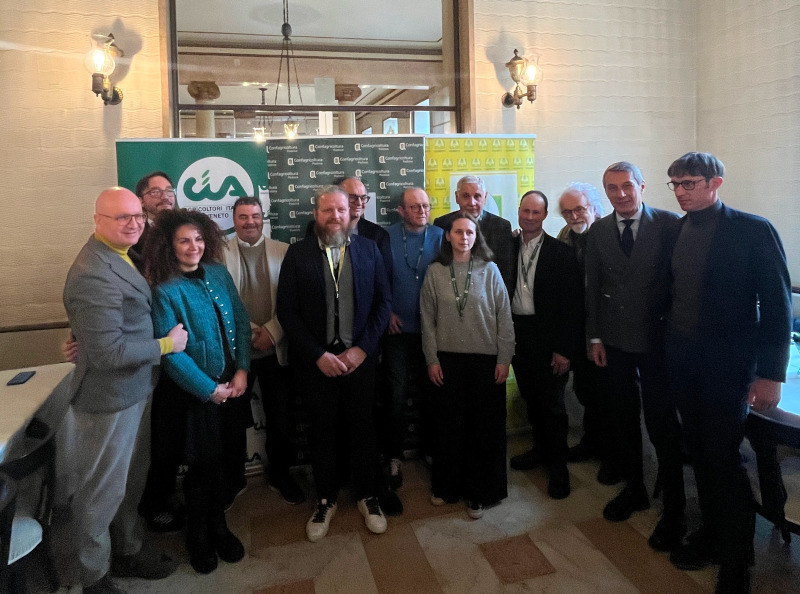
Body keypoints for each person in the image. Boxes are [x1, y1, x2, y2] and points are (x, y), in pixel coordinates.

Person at [663, 152, 791, 593]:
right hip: (683, 362)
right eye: (675, 184)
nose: (681, 191)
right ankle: (711, 535)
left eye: (690, 183)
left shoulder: (751, 230)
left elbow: (778, 307)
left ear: (716, 183)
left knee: (723, 459)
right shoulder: (677, 230)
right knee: (699, 454)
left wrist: (771, 373)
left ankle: (738, 559)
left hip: (728, 367)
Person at [59, 187, 186, 594]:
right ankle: (93, 577)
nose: (134, 223)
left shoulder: (119, 254)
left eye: (137, 216)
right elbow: (111, 353)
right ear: (98, 221)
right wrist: (168, 345)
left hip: (134, 390)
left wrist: (81, 335)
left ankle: (127, 550)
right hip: (108, 399)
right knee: (100, 493)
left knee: (129, 481)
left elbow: (107, 326)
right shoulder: (93, 272)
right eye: (122, 218)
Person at [277, 185, 392, 542]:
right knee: (322, 432)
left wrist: (362, 350)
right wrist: (318, 355)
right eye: (328, 211)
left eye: (341, 210)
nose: (335, 216)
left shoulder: (369, 250)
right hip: (318, 365)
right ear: (317, 214)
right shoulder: (297, 255)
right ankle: (325, 499)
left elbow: (382, 306)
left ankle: (367, 496)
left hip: (360, 361)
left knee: (363, 429)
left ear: (350, 212)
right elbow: (287, 312)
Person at [585, 162, 686, 553]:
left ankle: (674, 507)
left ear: (641, 186)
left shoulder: (669, 224)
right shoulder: (598, 230)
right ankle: (636, 489)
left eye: (627, 186)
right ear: (605, 192)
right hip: (614, 340)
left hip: (659, 340)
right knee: (622, 417)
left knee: (661, 424)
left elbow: (683, 282)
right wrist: (594, 337)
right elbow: (593, 287)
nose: (621, 194)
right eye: (612, 188)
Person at [145, 209, 251, 574]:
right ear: (169, 246)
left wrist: (242, 370)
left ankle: (219, 524)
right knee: (202, 468)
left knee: (225, 463)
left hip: (232, 386)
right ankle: (198, 534)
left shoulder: (219, 274)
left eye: (199, 239)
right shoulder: (164, 290)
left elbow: (240, 319)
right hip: (196, 396)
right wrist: (210, 390)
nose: (194, 247)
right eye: (184, 241)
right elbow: (173, 358)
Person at [420, 212, 514, 519]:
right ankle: (448, 487)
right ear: (447, 236)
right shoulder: (435, 271)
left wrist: (504, 358)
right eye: (458, 232)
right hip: (448, 361)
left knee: (483, 429)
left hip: (486, 361)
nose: (464, 237)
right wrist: (432, 359)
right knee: (449, 427)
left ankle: (480, 493)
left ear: (477, 237)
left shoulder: (490, 270)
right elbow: (427, 321)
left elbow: (504, 317)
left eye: (469, 233)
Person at [222, 196, 305, 505]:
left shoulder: (283, 252)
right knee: (231, 423)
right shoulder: (218, 253)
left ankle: (280, 475)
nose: (249, 222)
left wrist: (271, 331)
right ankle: (232, 479)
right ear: (234, 220)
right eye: (243, 217)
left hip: (274, 349)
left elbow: (294, 302)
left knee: (280, 419)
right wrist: (244, 334)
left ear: (263, 218)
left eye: (255, 216)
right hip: (235, 353)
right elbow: (217, 302)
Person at [508, 191, 582, 500]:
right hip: (517, 333)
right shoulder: (508, 247)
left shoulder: (561, 253)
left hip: (549, 337)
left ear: (545, 215)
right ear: (519, 211)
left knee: (552, 405)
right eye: (525, 211)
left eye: (536, 212)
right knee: (531, 397)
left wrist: (564, 349)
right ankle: (539, 450)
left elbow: (572, 307)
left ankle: (558, 469)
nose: (529, 217)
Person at [556, 183, 617, 484]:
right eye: (567, 211)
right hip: (579, 327)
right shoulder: (566, 236)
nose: (573, 216)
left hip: (608, 329)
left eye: (579, 209)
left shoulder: (608, 233)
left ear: (593, 206)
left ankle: (613, 456)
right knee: (587, 390)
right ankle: (592, 442)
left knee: (609, 395)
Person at [382, 187, 443, 484]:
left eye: (426, 205)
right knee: (396, 396)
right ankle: (394, 456)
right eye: (415, 206)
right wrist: (386, 312)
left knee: (433, 394)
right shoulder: (385, 237)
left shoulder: (442, 236)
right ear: (401, 210)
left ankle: (430, 450)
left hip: (432, 331)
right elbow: (376, 279)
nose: (422, 211)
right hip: (397, 332)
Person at [433, 175, 514, 292]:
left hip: (488, 299)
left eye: (477, 196)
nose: (472, 202)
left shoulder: (502, 227)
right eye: (466, 196)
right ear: (457, 197)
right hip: (451, 294)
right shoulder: (442, 224)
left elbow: (507, 273)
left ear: (485, 197)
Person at [130, 171, 176, 266]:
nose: (165, 197)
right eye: (155, 192)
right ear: (141, 201)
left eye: (169, 191)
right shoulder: (134, 235)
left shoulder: (186, 227)